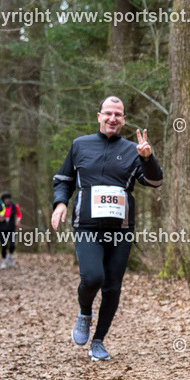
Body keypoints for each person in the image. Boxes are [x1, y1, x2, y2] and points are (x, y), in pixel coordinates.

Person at [52, 96, 162, 361]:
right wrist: (59, 204)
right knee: (92, 277)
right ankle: (84, 313)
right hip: (86, 225)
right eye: (108, 113)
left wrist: (147, 158)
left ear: (124, 120)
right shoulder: (80, 145)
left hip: (120, 229)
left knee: (112, 286)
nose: (113, 118)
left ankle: (98, 341)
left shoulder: (133, 149)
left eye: (119, 114)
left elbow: (155, 182)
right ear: (99, 116)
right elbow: (63, 179)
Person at [0, 192, 22, 268]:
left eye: (9, 198)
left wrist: (18, 221)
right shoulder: (0, 206)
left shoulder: (14, 206)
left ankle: (10, 256)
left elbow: (19, 214)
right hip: (2, 228)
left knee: (12, 244)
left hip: (11, 228)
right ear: (3, 200)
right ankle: (4, 261)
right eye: (6, 199)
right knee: (4, 245)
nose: (8, 200)